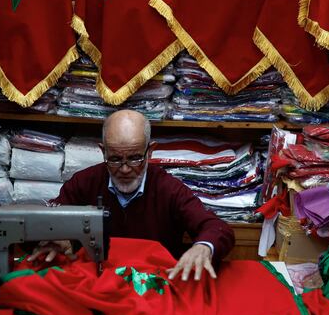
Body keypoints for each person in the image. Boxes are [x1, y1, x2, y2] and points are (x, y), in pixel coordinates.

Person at [28, 110, 235, 281]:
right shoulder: (85, 182)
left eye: (135, 158)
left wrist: (203, 246)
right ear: (103, 152)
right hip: (96, 282)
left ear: (150, 152)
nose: (125, 169)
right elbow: (48, 221)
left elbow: (217, 228)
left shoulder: (169, 189)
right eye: (116, 159)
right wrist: (53, 236)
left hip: (154, 285)